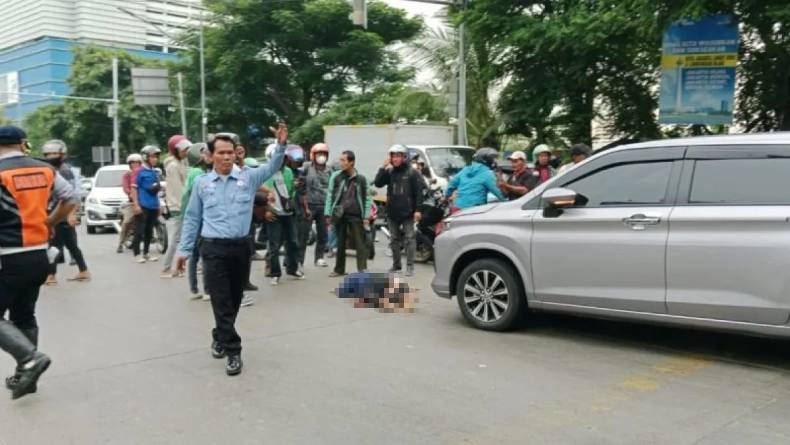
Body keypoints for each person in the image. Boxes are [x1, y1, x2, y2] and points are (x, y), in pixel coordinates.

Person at [176, 124, 288, 377]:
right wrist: (184, 250)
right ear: (211, 156)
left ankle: (219, 334)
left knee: (235, 298)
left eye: (230, 152)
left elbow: (272, 167)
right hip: (212, 248)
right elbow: (192, 218)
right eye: (221, 153)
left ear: (236, 154)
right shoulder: (202, 184)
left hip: (240, 248)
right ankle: (233, 350)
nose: (226, 157)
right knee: (220, 299)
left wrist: (281, 145)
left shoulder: (248, 178)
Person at [0, 125, 79, 400]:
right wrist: (49, 222)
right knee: (24, 315)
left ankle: (29, 359)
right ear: (23, 144)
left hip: (7, 255)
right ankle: (27, 378)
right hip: (40, 254)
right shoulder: (45, 169)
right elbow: (71, 198)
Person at [40, 139, 90, 284]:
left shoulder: (64, 171)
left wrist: (72, 214)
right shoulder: (52, 170)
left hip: (61, 214)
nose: (51, 156)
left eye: (54, 153)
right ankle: (83, 271)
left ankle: (51, 275)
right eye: (48, 154)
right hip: (56, 212)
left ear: (63, 155)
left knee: (54, 245)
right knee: (71, 245)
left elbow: (72, 195)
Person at [374, 144, 425, 277]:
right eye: (393, 156)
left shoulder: (412, 172)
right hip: (392, 211)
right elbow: (378, 183)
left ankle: (410, 267)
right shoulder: (389, 172)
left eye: (398, 156)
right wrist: (382, 167)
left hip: (408, 211)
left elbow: (419, 193)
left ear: (404, 157)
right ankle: (396, 265)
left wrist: (418, 210)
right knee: (394, 239)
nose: (395, 159)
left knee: (409, 238)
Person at [325, 150, 372, 277]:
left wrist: (366, 216)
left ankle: (362, 268)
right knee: (340, 243)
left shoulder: (361, 179)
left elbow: (367, 198)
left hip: (356, 215)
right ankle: (339, 269)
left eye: (343, 160)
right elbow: (330, 195)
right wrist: (328, 213)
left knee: (360, 242)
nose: (341, 163)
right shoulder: (336, 176)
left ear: (351, 162)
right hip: (339, 214)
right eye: (340, 160)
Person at [262, 144, 304, 286]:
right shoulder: (266, 172)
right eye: (279, 158)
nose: (282, 161)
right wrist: (266, 210)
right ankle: (274, 273)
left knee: (293, 242)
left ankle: (292, 269)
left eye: (284, 158)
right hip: (273, 213)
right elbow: (262, 193)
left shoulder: (288, 172)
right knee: (274, 245)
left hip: (288, 212)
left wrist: (295, 187)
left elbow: (290, 191)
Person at [181, 142, 212, 302]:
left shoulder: (196, 172)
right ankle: (206, 289)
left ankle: (194, 289)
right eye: (204, 153)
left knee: (195, 255)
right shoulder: (198, 173)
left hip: (195, 218)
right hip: (199, 219)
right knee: (203, 254)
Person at [160, 135, 192, 278]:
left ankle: (179, 268)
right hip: (178, 207)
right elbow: (179, 190)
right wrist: (184, 207)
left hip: (182, 205)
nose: (186, 152)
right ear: (175, 150)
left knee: (182, 239)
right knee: (174, 240)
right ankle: (166, 268)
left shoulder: (181, 163)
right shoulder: (173, 166)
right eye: (183, 149)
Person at [444, 147, 505, 212]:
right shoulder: (487, 174)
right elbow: (498, 192)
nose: (494, 161)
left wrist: (446, 197)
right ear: (488, 160)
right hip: (474, 211)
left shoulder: (466, 169)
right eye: (493, 159)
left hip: (457, 210)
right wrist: (507, 203)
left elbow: (452, 184)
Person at [131, 145, 163, 263]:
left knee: (149, 231)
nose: (155, 159)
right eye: (152, 157)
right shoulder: (138, 171)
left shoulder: (155, 172)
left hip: (153, 205)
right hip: (142, 205)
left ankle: (146, 253)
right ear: (146, 157)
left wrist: (158, 205)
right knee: (139, 231)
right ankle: (136, 254)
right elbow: (134, 189)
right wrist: (136, 204)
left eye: (156, 157)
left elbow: (156, 190)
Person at [305, 143, 331, 267]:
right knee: (303, 234)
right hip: (309, 205)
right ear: (313, 155)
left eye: (324, 154)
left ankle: (319, 257)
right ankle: (298, 260)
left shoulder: (330, 170)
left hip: (323, 206)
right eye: (319, 154)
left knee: (323, 234)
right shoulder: (306, 168)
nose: (321, 157)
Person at [118, 153, 143, 253]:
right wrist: (131, 194)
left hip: (145, 201)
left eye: (137, 162)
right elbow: (126, 188)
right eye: (132, 163)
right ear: (129, 164)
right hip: (133, 202)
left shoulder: (144, 173)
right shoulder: (127, 175)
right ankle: (120, 243)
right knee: (127, 222)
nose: (135, 164)